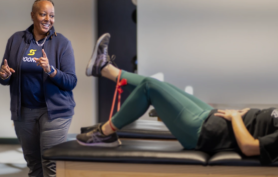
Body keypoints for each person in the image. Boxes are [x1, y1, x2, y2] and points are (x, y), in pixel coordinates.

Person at [77, 33, 278, 165]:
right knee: (162, 86)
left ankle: (105, 133)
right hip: (211, 117)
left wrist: (235, 117)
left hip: (204, 132)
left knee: (150, 87)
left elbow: (250, 147)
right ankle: (104, 68)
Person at [0, 0, 77, 177]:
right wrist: (3, 75)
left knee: (51, 165)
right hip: (24, 112)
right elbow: (4, 74)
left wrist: (51, 70)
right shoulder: (16, 40)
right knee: (34, 165)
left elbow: (71, 81)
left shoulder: (62, 43)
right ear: (33, 15)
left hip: (54, 113)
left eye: (52, 15)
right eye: (43, 14)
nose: (48, 19)